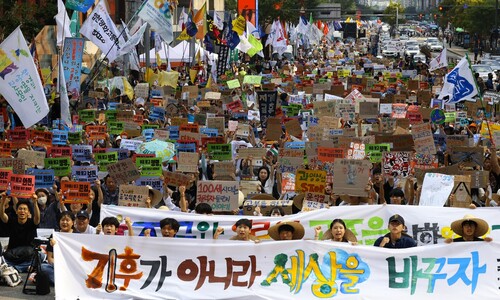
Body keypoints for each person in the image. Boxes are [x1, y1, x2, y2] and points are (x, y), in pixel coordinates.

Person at [0, 192, 41, 272]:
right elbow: (2, 215)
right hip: (12, 255)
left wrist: (35, 203)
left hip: (28, 254)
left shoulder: (31, 222)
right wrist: (3, 201)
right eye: (20, 209)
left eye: (25, 209)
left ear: (28, 212)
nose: (22, 211)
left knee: (40, 256)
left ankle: (15, 268)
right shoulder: (12, 220)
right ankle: (23, 267)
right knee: (3, 258)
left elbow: (37, 218)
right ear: (16, 211)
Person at [40, 211, 77, 285]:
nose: (65, 222)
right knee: (43, 268)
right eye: (62, 220)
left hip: (72, 267)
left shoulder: (77, 236)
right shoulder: (54, 236)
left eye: (67, 220)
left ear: (72, 222)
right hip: (58, 266)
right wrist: (60, 264)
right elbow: (50, 258)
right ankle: (65, 283)